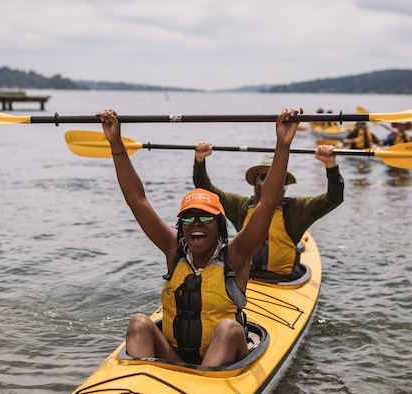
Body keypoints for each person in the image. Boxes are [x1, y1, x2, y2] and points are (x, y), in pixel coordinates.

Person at [97, 107, 301, 367]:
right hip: (177, 357)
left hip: (224, 363)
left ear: (219, 225)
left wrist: (282, 145)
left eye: (205, 218)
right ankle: (135, 385)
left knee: (228, 329)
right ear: (181, 226)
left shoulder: (236, 256)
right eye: (189, 218)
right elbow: (137, 200)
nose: (197, 224)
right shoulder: (174, 251)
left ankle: (202, 391)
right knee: (139, 323)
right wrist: (116, 143)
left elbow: (267, 202)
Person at [193, 143, 342, 282]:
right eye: (265, 177)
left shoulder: (296, 210)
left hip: (283, 280)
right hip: (245, 277)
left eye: (278, 179)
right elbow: (206, 191)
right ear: (255, 182)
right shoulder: (241, 207)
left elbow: (334, 198)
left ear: (284, 185)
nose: (271, 183)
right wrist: (200, 161)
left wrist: (331, 167)